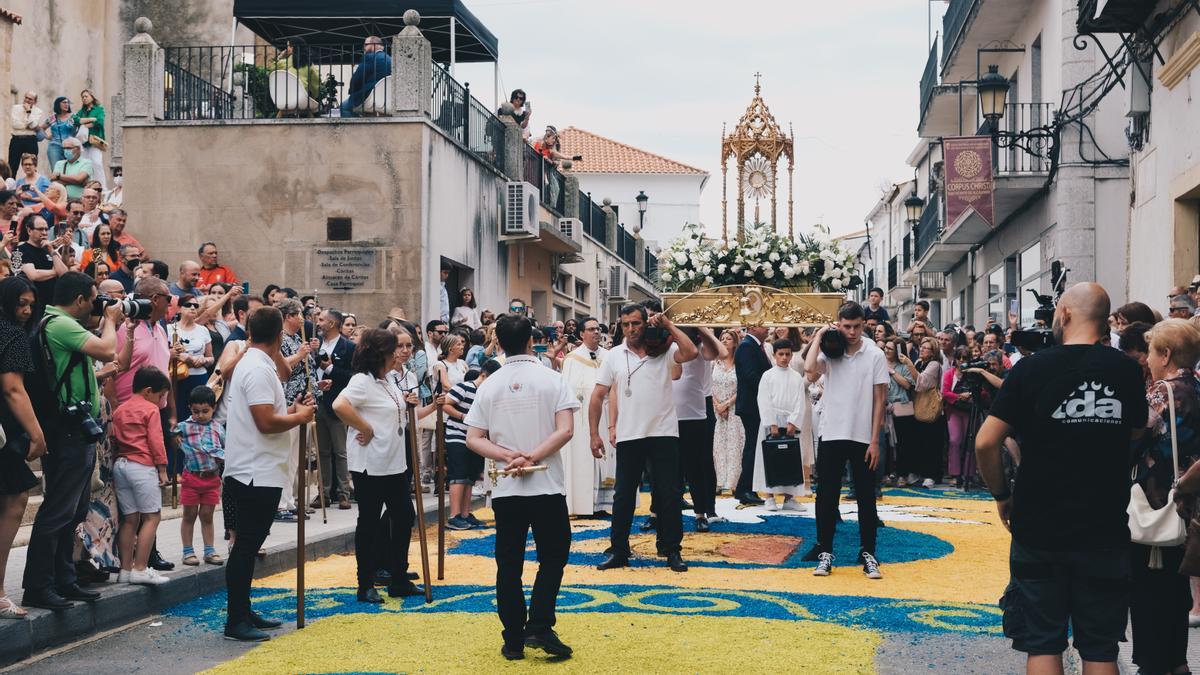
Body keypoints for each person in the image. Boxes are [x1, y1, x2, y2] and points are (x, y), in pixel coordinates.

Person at [975, 282, 1149, 673]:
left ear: (1065, 314)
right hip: (1103, 525)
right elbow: (1137, 430)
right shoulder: (1125, 370)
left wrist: (1002, 495)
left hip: (1039, 525)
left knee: (1043, 642)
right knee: (1100, 648)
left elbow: (986, 442)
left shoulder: (1032, 368)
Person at [465, 313, 579, 660]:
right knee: (554, 556)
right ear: (532, 340)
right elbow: (566, 430)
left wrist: (507, 455)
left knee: (509, 562)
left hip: (506, 487)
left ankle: (514, 638)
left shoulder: (490, 385)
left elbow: (473, 438)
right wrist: (531, 456)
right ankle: (540, 624)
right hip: (544, 483)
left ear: (497, 343)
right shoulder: (551, 378)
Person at [22, 272, 123, 610]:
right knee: (58, 511)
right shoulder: (60, 324)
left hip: (77, 429)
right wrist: (111, 321)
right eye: (94, 299)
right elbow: (108, 350)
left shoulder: (61, 323)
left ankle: (64, 579)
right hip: (67, 431)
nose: (97, 306)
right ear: (79, 300)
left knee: (73, 510)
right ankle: (38, 586)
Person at [222, 306, 314, 642]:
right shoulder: (257, 368)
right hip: (254, 471)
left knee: (248, 544)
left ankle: (243, 610)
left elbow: (276, 402)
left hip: (257, 467)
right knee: (246, 545)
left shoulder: (258, 362)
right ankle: (236, 619)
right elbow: (265, 421)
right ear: (279, 336)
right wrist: (299, 418)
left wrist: (291, 411)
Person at [590, 304, 697, 572]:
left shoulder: (664, 349)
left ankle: (672, 549)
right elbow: (597, 395)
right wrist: (595, 433)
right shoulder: (614, 355)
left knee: (670, 494)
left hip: (663, 432)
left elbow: (692, 352)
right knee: (623, 495)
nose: (631, 329)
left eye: (636, 324)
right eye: (625, 325)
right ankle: (619, 550)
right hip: (629, 434)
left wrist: (668, 326)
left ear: (645, 323)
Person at [1127, 319, 1199, 675]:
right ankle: (1178, 661)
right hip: (1188, 502)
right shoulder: (1197, 387)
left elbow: (1134, 437)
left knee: (1148, 587)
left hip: (1157, 501)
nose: (1148, 361)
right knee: (1177, 586)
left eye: (1152, 353)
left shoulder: (1162, 392)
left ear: (1166, 354)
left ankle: (1153, 662)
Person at [331, 328, 423, 602]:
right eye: (394, 348)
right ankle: (365, 583)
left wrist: (406, 405)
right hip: (371, 464)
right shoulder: (362, 380)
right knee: (369, 522)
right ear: (381, 353)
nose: (399, 353)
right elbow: (340, 405)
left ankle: (398, 577)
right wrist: (365, 427)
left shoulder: (389, 379)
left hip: (394, 462)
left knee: (405, 515)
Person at [804, 301, 888, 579]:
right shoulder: (831, 352)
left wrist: (875, 440)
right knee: (826, 495)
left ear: (864, 324)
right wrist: (819, 335)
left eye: (856, 326)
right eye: (846, 326)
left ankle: (869, 553)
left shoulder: (874, 354)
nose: (851, 332)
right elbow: (809, 370)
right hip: (832, 432)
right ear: (838, 324)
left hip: (863, 435)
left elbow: (880, 399)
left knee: (866, 496)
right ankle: (825, 551)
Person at [0, 277, 46, 618]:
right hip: (5, 436)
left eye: (31, 304)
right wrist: (37, 433)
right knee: (16, 499)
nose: (26, 311)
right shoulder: (11, 334)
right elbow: (13, 388)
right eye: (21, 304)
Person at [111, 365, 171, 586]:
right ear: (147, 391)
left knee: (129, 519)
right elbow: (156, 440)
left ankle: (125, 569)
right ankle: (140, 567)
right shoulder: (150, 409)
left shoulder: (120, 409)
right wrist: (162, 468)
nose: (160, 400)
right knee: (151, 517)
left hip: (122, 465)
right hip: (142, 466)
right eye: (160, 395)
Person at [559, 317, 616, 516]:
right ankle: (583, 504)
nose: (596, 333)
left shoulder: (609, 356)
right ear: (582, 334)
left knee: (606, 458)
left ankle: (604, 504)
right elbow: (566, 390)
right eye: (591, 329)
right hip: (581, 417)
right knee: (582, 458)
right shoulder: (572, 359)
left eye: (598, 329)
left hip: (607, 413)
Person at [673, 326, 725, 530]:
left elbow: (721, 352)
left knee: (697, 466)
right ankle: (660, 512)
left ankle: (702, 512)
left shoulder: (702, 347)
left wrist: (702, 328)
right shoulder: (669, 346)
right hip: (670, 413)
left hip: (696, 412)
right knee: (671, 468)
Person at [443, 360, 501, 529]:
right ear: (483, 375)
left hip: (475, 441)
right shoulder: (464, 387)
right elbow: (445, 404)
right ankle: (454, 515)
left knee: (470, 477)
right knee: (458, 476)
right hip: (457, 436)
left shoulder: (486, 393)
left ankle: (465, 513)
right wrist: (463, 417)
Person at [751, 338, 809, 508]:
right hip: (772, 422)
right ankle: (769, 496)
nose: (784, 357)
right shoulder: (767, 376)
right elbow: (763, 400)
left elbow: (800, 401)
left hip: (790, 422)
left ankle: (789, 498)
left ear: (791, 356)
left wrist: (794, 422)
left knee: (790, 458)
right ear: (774, 355)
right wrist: (772, 423)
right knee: (768, 458)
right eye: (780, 354)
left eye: (787, 354)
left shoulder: (796, 377)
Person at [175, 385, 225, 567]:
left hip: (212, 478)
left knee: (207, 515)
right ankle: (188, 551)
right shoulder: (184, 427)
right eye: (196, 411)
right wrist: (175, 439)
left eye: (205, 411)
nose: (201, 415)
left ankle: (209, 550)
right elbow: (172, 434)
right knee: (189, 514)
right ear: (190, 409)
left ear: (213, 408)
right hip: (191, 477)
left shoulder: (218, 428)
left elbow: (225, 448)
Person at [313, 309, 355, 509]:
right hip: (317, 403)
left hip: (338, 404)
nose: (317, 323)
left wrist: (330, 369)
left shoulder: (348, 347)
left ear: (331, 323)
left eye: (321, 320)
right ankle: (324, 492)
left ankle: (344, 493)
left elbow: (353, 376)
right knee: (322, 451)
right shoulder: (316, 344)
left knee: (340, 451)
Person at [733, 324, 771, 506]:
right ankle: (745, 489)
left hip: (754, 404)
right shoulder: (747, 346)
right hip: (751, 405)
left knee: (754, 447)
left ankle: (748, 487)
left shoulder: (752, 345)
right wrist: (770, 389)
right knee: (752, 447)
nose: (769, 328)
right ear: (754, 326)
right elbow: (751, 376)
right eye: (765, 325)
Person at [13, 213, 69, 319]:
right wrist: (55, 271)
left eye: (46, 229)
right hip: (33, 306)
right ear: (29, 230)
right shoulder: (20, 249)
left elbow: (64, 273)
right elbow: (34, 275)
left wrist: (52, 250)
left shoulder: (48, 249)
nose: (44, 233)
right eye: (40, 229)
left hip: (52, 304)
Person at [712, 328, 744, 494]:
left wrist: (727, 404)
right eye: (722, 338)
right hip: (717, 411)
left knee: (735, 445)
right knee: (718, 446)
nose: (724, 341)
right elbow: (709, 386)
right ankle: (719, 481)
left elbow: (742, 386)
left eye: (728, 339)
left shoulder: (739, 363)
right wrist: (718, 405)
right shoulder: (714, 363)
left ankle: (734, 482)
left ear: (735, 343)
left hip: (734, 409)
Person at [882, 337, 915, 486]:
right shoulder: (879, 362)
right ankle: (885, 474)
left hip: (901, 407)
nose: (886, 350)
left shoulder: (903, 366)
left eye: (890, 349)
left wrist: (892, 372)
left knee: (903, 443)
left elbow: (908, 385)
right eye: (886, 348)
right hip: (883, 407)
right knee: (885, 443)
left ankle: (903, 474)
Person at [340, 36, 392, 116]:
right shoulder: (390, 59)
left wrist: (352, 91)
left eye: (366, 45)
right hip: (387, 99)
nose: (364, 47)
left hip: (369, 96)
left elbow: (357, 79)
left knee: (343, 107)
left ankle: (357, 128)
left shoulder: (370, 57)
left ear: (374, 44)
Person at [72, 90, 106, 191]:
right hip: (84, 143)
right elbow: (75, 120)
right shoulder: (82, 111)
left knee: (97, 162)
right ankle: (88, 186)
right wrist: (92, 119)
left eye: (86, 96)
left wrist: (84, 124)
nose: (84, 98)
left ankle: (101, 187)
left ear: (92, 97)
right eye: (82, 97)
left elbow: (100, 121)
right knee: (85, 164)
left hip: (95, 141)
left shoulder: (99, 109)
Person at [8, 92, 42, 171]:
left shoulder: (38, 111)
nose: (27, 100)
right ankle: (11, 183)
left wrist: (28, 111)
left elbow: (33, 126)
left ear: (35, 101)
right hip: (16, 139)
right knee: (12, 166)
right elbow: (14, 124)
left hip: (31, 140)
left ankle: (32, 183)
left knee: (32, 165)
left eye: (30, 99)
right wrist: (27, 125)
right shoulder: (15, 108)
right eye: (26, 97)